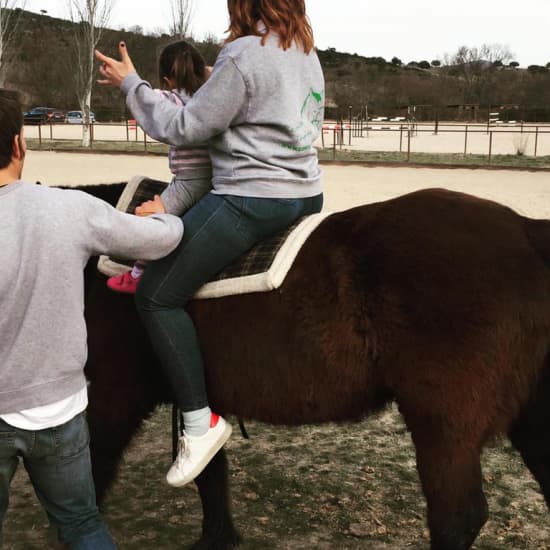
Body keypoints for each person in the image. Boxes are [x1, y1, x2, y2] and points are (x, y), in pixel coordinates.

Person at [95, 0, 325, 488]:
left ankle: (201, 423)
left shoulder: (242, 55)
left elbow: (184, 127)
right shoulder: (304, 50)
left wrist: (132, 85)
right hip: (305, 194)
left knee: (156, 294)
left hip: (251, 198)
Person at [0, 90, 184, 548]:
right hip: (58, 410)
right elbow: (157, 243)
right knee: (82, 526)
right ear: (20, 145)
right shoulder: (67, 209)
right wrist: (166, 217)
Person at [107, 40, 212, 294]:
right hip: (217, 173)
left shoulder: (169, 99)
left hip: (190, 181)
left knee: (154, 221)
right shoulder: (212, 95)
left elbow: (147, 100)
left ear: (167, 80)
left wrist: (127, 80)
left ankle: (139, 273)